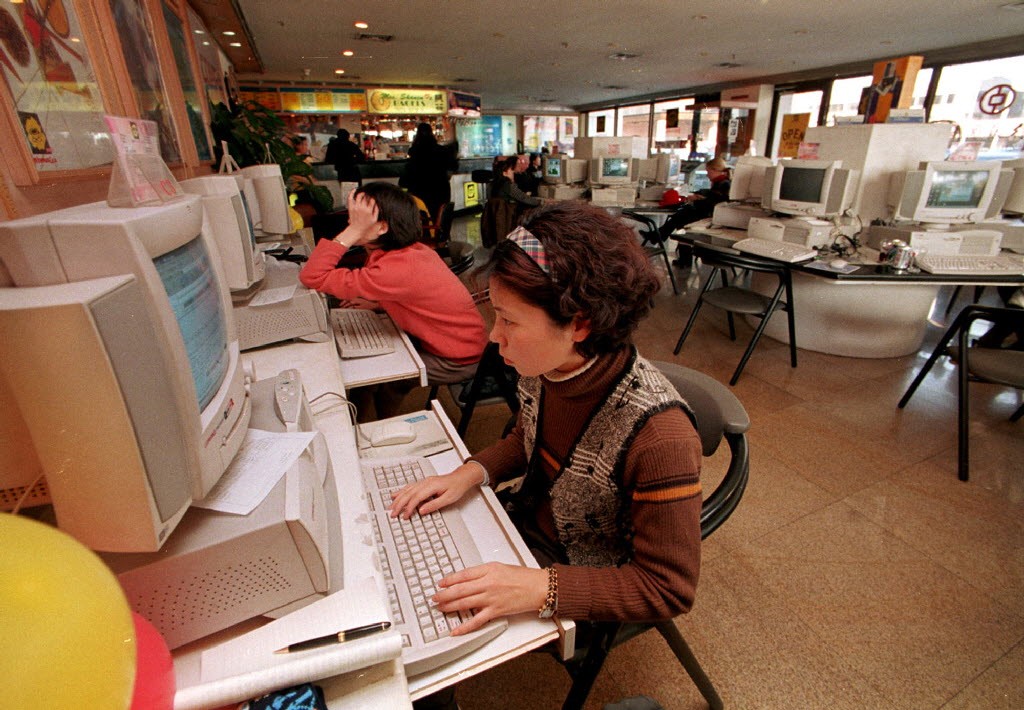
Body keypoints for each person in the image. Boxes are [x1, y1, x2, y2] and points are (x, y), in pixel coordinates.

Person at [389, 201, 702, 681]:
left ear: (579, 323)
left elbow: (668, 587)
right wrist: (471, 472)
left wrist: (541, 588)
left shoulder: (660, 437)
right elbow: (528, 435)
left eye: (510, 321)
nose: (495, 337)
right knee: (404, 566)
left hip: (584, 569)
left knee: (418, 647)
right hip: (529, 530)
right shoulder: (550, 365)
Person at [299, 182, 488, 417]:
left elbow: (312, 276)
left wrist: (350, 234)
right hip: (457, 341)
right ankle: (363, 421)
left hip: (458, 358)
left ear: (382, 227)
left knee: (384, 377)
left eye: (358, 219)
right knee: (369, 371)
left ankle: (381, 428)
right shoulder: (409, 252)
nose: (350, 223)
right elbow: (415, 297)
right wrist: (380, 303)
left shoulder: (395, 268)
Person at [663, 155, 732, 266]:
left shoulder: (723, 183)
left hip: (710, 216)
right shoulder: (723, 181)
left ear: (715, 170)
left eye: (708, 172)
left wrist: (698, 199)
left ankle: (663, 237)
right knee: (681, 215)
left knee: (681, 218)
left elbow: (715, 202)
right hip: (711, 213)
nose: (708, 175)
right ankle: (663, 236)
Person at [401, 122, 459, 218]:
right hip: (440, 190)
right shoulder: (440, 151)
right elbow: (453, 166)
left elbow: (405, 179)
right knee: (438, 217)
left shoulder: (415, 153)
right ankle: (436, 231)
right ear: (431, 133)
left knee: (421, 217)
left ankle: (426, 230)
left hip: (419, 192)